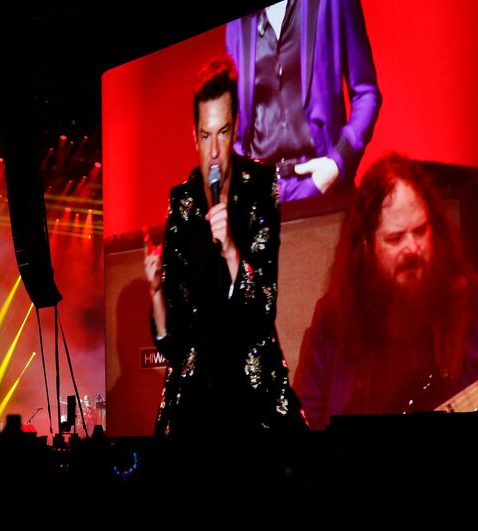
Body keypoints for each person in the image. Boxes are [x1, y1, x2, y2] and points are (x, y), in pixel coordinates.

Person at [144, 54, 306, 438]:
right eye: (205, 135)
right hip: (197, 391)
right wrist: (154, 293)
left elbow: (265, 306)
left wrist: (232, 251)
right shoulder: (182, 202)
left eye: (223, 133)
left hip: (250, 383)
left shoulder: (260, 187)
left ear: (235, 132)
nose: (213, 151)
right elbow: (173, 341)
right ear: (193, 135)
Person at [293, 154, 478, 430]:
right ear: (367, 244)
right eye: (395, 238)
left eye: (420, 231)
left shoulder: (465, 301)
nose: (413, 248)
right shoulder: (331, 319)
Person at [226, 0, 381, 202]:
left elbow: (366, 92)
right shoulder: (237, 24)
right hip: (261, 191)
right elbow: (238, 118)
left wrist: (338, 162)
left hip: (320, 182)